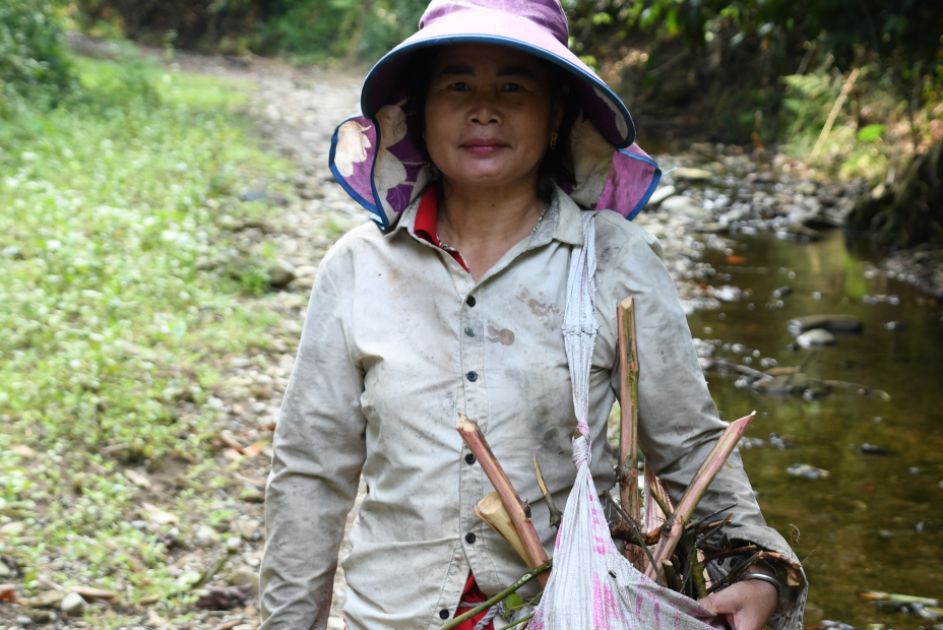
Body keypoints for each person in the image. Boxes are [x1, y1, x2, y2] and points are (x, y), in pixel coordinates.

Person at [259, 1, 807, 628]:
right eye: (457, 85)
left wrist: (757, 567)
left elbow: (688, 446)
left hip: (565, 610)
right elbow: (311, 470)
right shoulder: (358, 266)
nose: (483, 110)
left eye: (514, 87)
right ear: (419, 114)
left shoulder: (613, 260)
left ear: (555, 118)